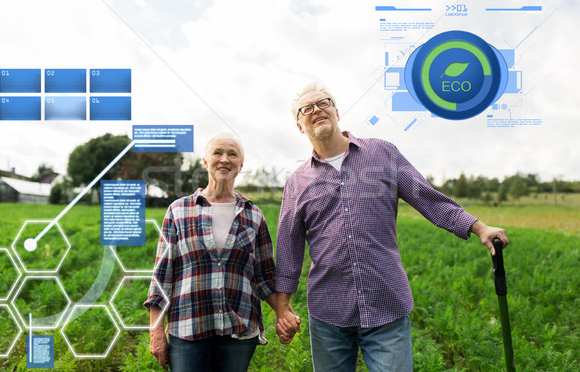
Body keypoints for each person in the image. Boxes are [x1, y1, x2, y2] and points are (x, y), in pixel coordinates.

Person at [273, 82, 509, 371]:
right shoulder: (297, 181)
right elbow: (288, 246)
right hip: (328, 312)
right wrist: (282, 306)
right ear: (299, 126)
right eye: (306, 109)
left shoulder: (382, 153)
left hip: (386, 304)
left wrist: (478, 227)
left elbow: (428, 199)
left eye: (323, 103)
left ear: (336, 110)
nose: (316, 110)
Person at [144, 132, 300, 372]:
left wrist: (284, 314)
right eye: (217, 153)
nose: (224, 159)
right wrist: (156, 331)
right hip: (188, 327)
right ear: (205, 162)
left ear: (240, 165)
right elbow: (162, 276)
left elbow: (265, 277)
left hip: (238, 330)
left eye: (232, 154)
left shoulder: (253, 215)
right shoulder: (178, 210)